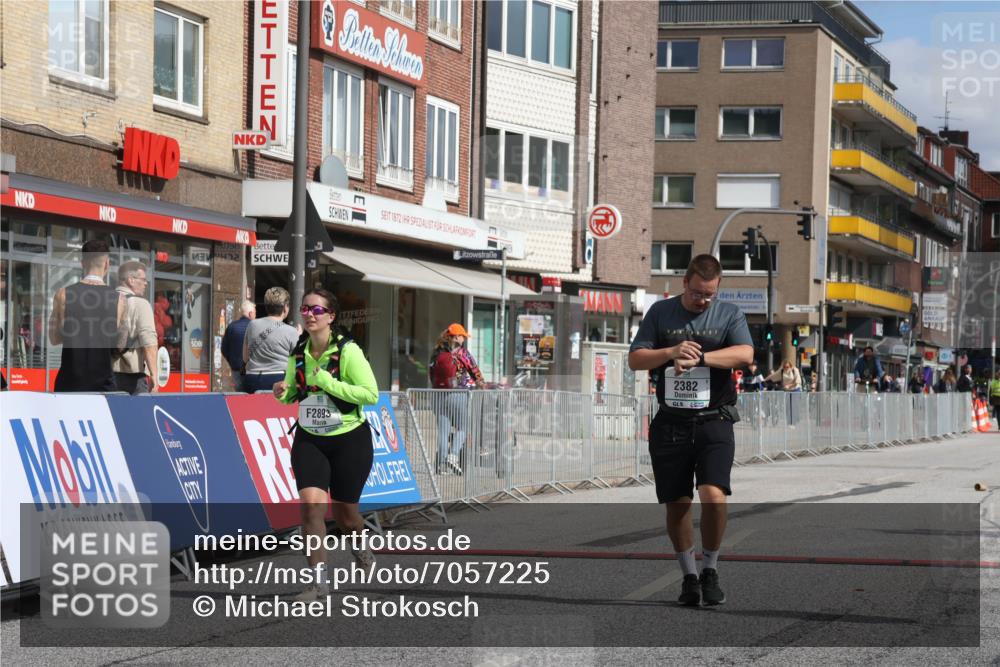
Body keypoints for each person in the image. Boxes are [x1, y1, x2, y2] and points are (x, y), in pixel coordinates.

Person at [628, 254, 754, 607]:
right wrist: (671, 351)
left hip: (714, 418)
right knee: (678, 504)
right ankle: (688, 576)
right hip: (671, 421)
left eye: (710, 294)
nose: (703, 300)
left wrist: (701, 358)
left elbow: (745, 353)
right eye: (698, 293)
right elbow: (635, 359)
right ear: (685, 283)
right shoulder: (661, 313)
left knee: (714, 495)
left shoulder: (729, 314)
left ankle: (710, 568)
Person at [272, 288, 379, 602]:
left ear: (331, 316)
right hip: (310, 438)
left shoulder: (348, 351)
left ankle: (361, 547)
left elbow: (370, 394)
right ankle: (318, 584)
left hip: (349, 439)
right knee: (311, 509)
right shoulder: (298, 351)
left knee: (346, 516)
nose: (309, 314)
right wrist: (282, 391)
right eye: (305, 309)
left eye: (317, 310)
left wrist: (329, 382)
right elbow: (293, 393)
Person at [48, 239, 126, 392]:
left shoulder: (63, 295)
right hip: (104, 385)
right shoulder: (120, 300)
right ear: (107, 264)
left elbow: (54, 338)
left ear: (82, 263)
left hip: (69, 383)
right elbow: (120, 345)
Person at [429, 323, 485, 475]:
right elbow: (476, 373)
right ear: (455, 337)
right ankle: (453, 456)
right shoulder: (463, 353)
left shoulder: (436, 352)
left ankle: (440, 467)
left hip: (438, 395)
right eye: (462, 336)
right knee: (463, 428)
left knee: (443, 432)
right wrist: (482, 385)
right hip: (458, 395)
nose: (464, 339)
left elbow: (431, 373)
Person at [112, 261, 159, 394]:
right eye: (143, 279)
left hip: (105, 375)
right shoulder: (140, 304)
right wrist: (154, 376)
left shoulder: (105, 299)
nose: (146, 283)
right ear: (131, 280)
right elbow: (149, 344)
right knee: (137, 414)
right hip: (132, 379)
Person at [243, 287, 297, 393]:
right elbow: (297, 362)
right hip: (280, 379)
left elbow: (245, 358)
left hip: (253, 378)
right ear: (285, 308)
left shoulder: (252, 325)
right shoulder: (291, 331)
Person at [222, 300, 256, 391]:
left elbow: (224, 349)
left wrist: (232, 361)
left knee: (239, 396)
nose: (255, 316)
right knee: (253, 397)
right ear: (250, 313)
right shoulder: (256, 327)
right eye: (255, 313)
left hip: (236, 369)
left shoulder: (232, 327)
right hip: (252, 370)